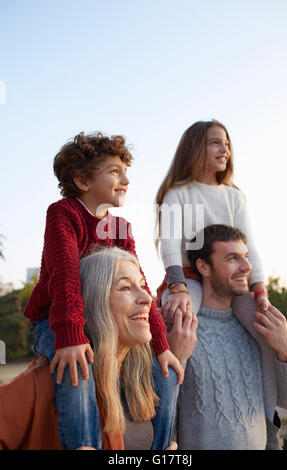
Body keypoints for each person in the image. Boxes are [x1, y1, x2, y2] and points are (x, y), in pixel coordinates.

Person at [23, 132, 183, 450]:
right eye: (114, 171)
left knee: (164, 370)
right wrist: (70, 336)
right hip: (55, 321)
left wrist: (161, 343)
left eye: (125, 171)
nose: (125, 179)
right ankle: (84, 445)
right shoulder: (62, 214)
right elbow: (65, 277)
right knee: (78, 365)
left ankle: (163, 448)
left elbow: (140, 285)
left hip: (107, 322)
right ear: (82, 180)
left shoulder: (121, 228)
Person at [0, 247, 193, 450]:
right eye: (125, 288)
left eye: (143, 286)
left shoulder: (150, 383)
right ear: (92, 302)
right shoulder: (46, 382)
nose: (146, 299)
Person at [155, 119, 276, 421]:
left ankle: (271, 417)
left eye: (227, 142)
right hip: (191, 277)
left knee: (269, 332)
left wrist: (259, 289)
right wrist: (177, 286)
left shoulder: (234, 196)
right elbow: (168, 244)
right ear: (196, 148)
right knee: (179, 322)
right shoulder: (178, 193)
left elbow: (250, 246)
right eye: (215, 142)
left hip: (234, 283)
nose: (225, 149)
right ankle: (165, 419)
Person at [173, 224, 287, 450]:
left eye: (246, 257)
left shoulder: (259, 329)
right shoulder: (182, 331)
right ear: (203, 267)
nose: (247, 267)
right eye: (233, 258)